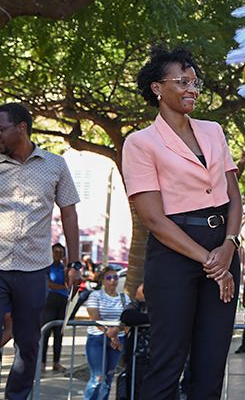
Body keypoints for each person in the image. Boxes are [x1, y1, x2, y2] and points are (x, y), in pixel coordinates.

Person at [122, 47, 242, 399]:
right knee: (167, 362)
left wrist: (229, 246)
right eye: (182, 81)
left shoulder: (213, 131)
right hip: (175, 253)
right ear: (158, 88)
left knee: (210, 365)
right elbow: (153, 219)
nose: (192, 89)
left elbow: (234, 196)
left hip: (224, 246)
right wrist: (210, 261)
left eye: (195, 82)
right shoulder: (140, 143)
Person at [0, 102, 82, 399]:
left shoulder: (55, 164)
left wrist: (75, 262)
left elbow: (69, 214)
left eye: (1, 129)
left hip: (34, 269)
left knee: (28, 345)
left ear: (21, 128)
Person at [84, 267, 130, 400]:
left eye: (115, 277)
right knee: (98, 377)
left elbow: (127, 318)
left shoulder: (123, 297)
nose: (113, 281)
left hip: (117, 340)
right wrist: (110, 333)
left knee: (109, 377)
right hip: (97, 339)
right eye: (109, 278)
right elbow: (95, 317)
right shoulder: (95, 295)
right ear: (103, 280)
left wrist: (116, 332)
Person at [41, 243, 70, 372]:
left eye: (61, 252)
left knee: (59, 333)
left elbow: (69, 282)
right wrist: (64, 287)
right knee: (46, 332)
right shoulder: (47, 267)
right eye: (56, 252)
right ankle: (42, 362)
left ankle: (56, 362)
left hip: (62, 301)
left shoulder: (63, 268)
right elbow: (49, 284)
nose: (58, 255)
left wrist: (67, 267)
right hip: (50, 300)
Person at [119, 284, 150, 400]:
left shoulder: (166, 305)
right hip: (139, 359)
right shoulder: (137, 305)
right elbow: (127, 317)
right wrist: (153, 318)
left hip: (160, 359)